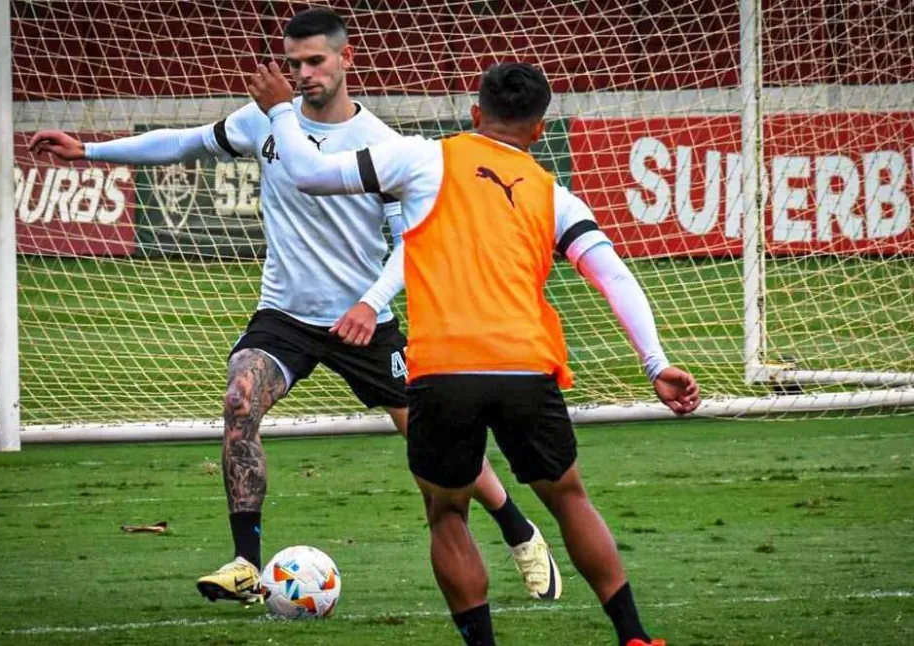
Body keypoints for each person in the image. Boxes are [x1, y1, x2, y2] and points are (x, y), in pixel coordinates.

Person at [29, 10, 561, 606]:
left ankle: (519, 530)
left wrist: (369, 302)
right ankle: (245, 565)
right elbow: (183, 143)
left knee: (433, 447)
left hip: (365, 322)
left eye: (315, 62)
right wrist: (90, 150)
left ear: (346, 59)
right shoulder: (263, 123)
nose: (303, 74)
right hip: (285, 316)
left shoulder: (383, 147)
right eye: (293, 64)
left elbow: (413, 243)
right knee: (239, 399)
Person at [248, 60, 701, 645]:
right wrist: (655, 363)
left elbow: (308, 174)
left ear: (475, 113)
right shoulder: (552, 195)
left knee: (449, 513)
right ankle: (635, 636)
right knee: (569, 500)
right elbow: (613, 276)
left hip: (444, 370)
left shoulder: (421, 158)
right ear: (539, 130)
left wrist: (282, 110)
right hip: (526, 367)